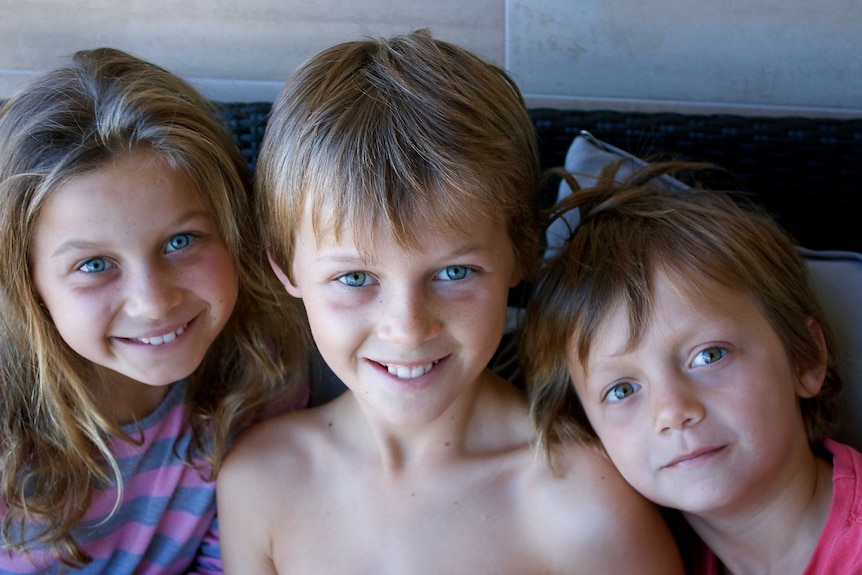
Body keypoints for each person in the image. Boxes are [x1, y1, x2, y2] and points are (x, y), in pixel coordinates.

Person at [216, 29, 684, 575]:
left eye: (454, 272)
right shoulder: (259, 481)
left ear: (522, 252)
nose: (408, 328)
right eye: (355, 278)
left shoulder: (584, 504)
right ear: (284, 265)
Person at [0, 48, 308, 574]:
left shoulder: (260, 375)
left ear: (233, 232)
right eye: (95, 264)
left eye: (181, 240)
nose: (153, 301)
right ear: (28, 281)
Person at [521, 160, 862, 574]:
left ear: (804, 356)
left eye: (709, 355)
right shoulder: (647, 554)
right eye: (622, 390)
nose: (672, 411)